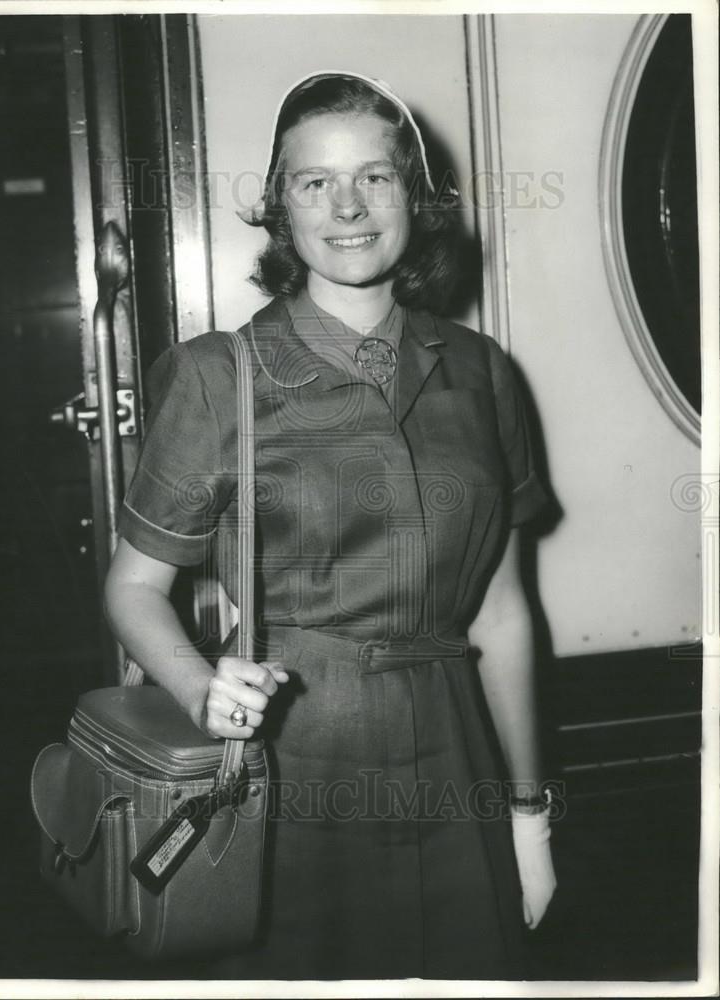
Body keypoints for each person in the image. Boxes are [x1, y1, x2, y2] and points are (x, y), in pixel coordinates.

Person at [104, 70, 557, 980]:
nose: (348, 206)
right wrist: (199, 686)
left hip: (454, 760)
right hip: (287, 769)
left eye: (375, 177)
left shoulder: (480, 371)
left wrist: (528, 812)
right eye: (315, 182)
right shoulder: (213, 376)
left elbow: (503, 614)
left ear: (412, 197)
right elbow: (133, 586)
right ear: (281, 207)